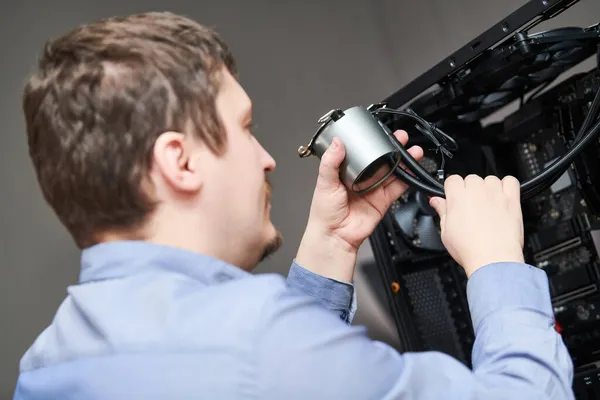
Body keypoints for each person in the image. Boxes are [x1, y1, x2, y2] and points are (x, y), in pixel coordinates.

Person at [14, 11, 574, 400]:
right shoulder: (260, 344)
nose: (266, 158)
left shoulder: (48, 361)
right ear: (180, 162)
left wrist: (332, 245)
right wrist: (499, 264)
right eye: (245, 129)